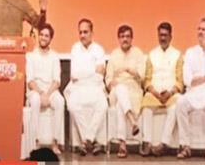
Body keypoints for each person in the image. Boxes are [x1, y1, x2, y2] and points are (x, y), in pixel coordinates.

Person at [176, 17, 205, 161]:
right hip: (193, 92)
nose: (200, 32)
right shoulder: (190, 52)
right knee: (180, 102)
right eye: (199, 29)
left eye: (204, 30)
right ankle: (185, 146)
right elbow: (187, 80)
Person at [65, 18, 107, 156]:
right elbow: (74, 75)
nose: (82, 35)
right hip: (79, 87)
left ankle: (85, 139)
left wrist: (85, 74)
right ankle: (89, 138)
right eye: (80, 32)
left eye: (85, 32)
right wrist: (92, 72)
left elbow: (100, 74)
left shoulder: (99, 49)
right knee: (72, 105)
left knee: (103, 106)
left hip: (95, 86)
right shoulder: (75, 48)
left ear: (92, 33)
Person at [140, 22, 183, 157]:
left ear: (171, 36)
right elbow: (147, 80)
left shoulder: (177, 55)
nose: (162, 38)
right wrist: (155, 92)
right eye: (160, 35)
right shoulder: (152, 55)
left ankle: (163, 143)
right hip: (154, 93)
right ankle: (147, 142)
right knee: (146, 108)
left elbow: (180, 80)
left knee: (175, 107)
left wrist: (170, 92)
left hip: (171, 93)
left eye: (165, 35)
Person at [105, 24, 145, 158]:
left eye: (127, 36)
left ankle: (122, 145)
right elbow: (108, 78)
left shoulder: (138, 53)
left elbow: (142, 76)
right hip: (116, 90)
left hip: (133, 90)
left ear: (132, 38)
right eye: (122, 37)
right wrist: (111, 84)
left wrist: (128, 69)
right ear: (118, 39)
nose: (125, 39)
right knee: (119, 89)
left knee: (119, 106)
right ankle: (133, 122)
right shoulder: (114, 55)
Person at [25, 23, 64, 155]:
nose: (43, 37)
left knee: (60, 101)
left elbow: (57, 80)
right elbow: (30, 81)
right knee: (35, 101)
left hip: (51, 91)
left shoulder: (55, 56)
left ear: (50, 39)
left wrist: (47, 94)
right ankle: (35, 142)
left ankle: (55, 142)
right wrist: (41, 93)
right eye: (41, 34)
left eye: (46, 36)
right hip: (35, 91)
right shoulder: (31, 56)